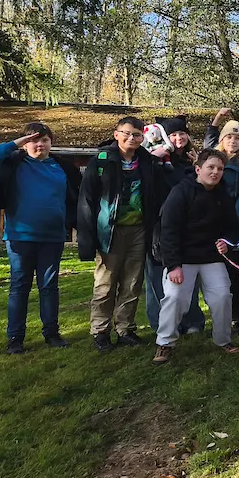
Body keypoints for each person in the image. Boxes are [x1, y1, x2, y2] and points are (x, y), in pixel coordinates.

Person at [0, 123, 80, 354]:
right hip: (20, 236)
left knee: (49, 287)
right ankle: (15, 338)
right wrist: (17, 142)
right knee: (20, 287)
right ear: (24, 144)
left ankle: (52, 333)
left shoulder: (63, 168)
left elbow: (75, 198)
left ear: (51, 143)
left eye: (45, 140)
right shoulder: (13, 164)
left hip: (53, 237)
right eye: (34, 140)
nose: (40, 144)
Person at [78, 116, 167, 352]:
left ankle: (125, 329)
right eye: (126, 133)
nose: (131, 138)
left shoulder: (148, 162)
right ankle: (100, 331)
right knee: (106, 283)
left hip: (139, 230)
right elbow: (87, 199)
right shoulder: (102, 160)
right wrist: (87, 236)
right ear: (116, 134)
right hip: (110, 231)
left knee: (132, 283)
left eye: (137, 134)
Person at [151, 149, 239, 363]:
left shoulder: (223, 194)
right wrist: (173, 265)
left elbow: (233, 228)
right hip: (182, 258)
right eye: (211, 167)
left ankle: (223, 340)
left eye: (220, 168)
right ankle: (165, 343)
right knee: (174, 298)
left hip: (211, 257)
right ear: (198, 169)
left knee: (222, 297)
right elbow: (168, 231)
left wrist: (226, 242)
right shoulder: (181, 192)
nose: (215, 172)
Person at [145, 114, 206, 336]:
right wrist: (154, 157)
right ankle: (160, 322)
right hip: (158, 226)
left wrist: (198, 164)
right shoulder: (154, 160)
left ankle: (192, 320)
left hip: (188, 225)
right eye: (173, 134)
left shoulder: (192, 161)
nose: (178, 138)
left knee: (188, 276)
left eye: (182, 133)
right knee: (157, 276)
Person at [216, 119, 239, 334]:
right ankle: (223, 318)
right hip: (216, 225)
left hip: (238, 227)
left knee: (236, 275)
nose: (233, 141)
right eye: (229, 137)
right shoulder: (214, 161)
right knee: (217, 278)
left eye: (237, 138)